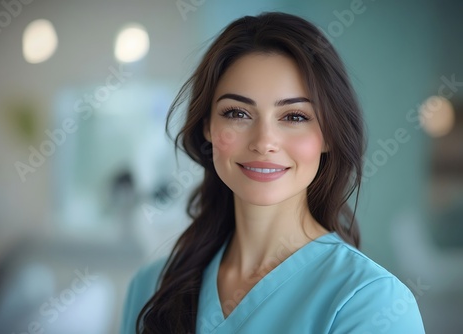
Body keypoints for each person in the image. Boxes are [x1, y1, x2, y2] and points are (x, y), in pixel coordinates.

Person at [121, 12, 425, 333]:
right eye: (237, 113)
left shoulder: (372, 303)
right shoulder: (152, 286)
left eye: (294, 116)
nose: (264, 142)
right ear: (208, 127)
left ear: (329, 135)